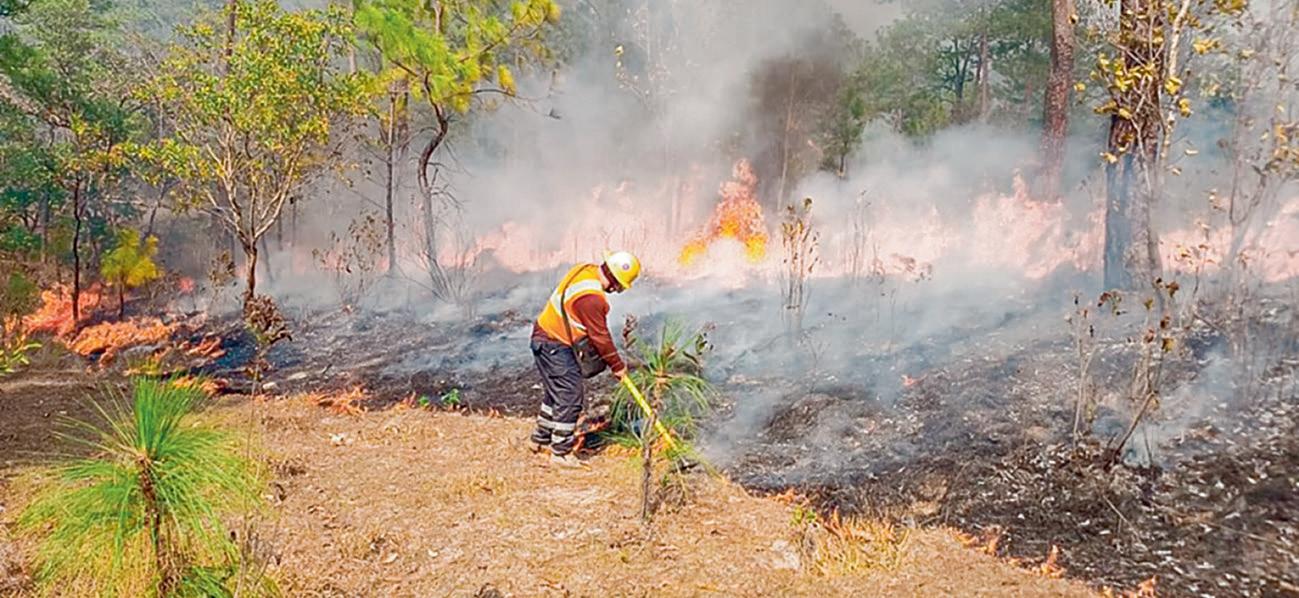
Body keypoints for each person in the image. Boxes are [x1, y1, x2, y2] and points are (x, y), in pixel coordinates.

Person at [529, 251, 641, 467]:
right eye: (619, 287)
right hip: (554, 343)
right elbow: (600, 336)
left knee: (556, 392)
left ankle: (540, 440)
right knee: (570, 395)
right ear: (615, 281)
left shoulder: (585, 270)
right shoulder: (592, 299)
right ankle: (561, 453)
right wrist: (617, 366)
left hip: (545, 336)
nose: (616, 291)